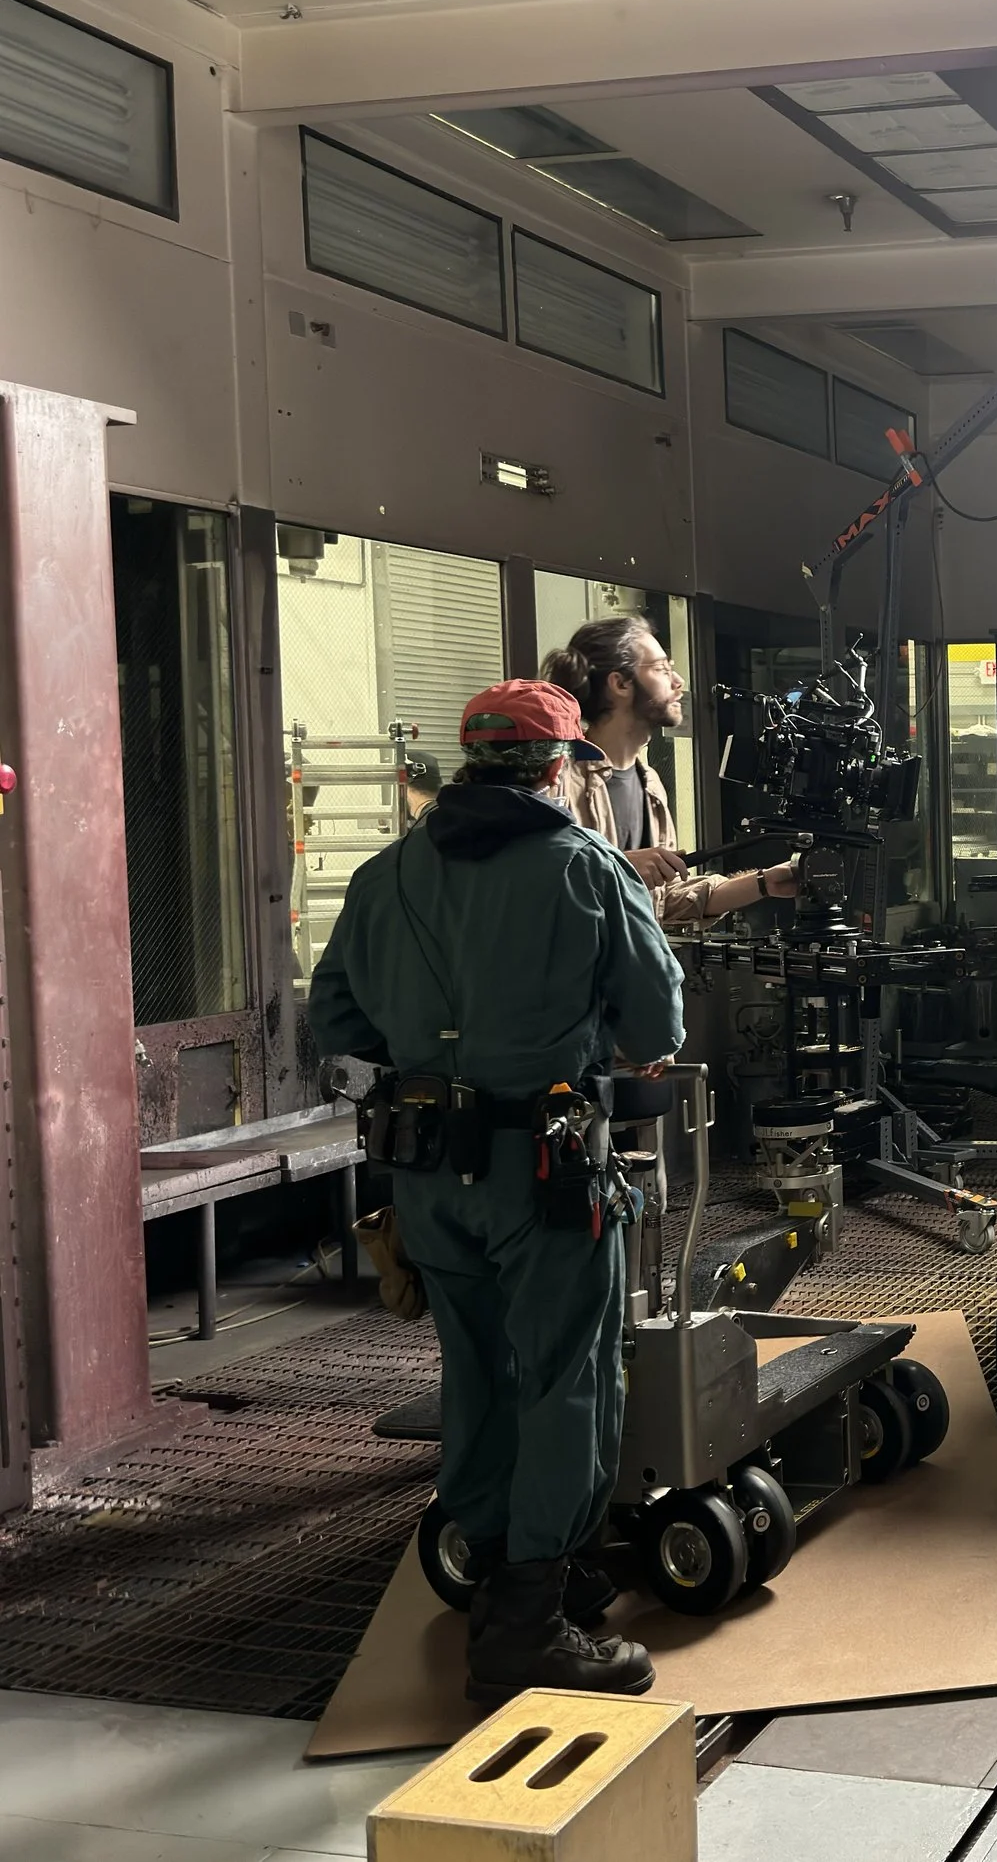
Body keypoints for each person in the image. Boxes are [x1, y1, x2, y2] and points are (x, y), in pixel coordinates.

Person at [310, 679, 685, 1705]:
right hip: (546, 1174)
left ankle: (503, 1564)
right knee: (568, 1375)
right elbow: (657, 1029)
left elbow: (335, 1025)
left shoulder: (383, 876)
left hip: (428, 1175)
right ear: (559, 767)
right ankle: (529, 1621)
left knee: (476, 1372)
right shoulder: (586, 869)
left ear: (468, 761)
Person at [540, 615, 801, 921]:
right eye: (662, 669)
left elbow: (668, 902)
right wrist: (616, 865)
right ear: (620, 684)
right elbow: (531, 885)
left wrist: (763, 882)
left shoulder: (649, 783)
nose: (678, 682)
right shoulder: (556, 780)